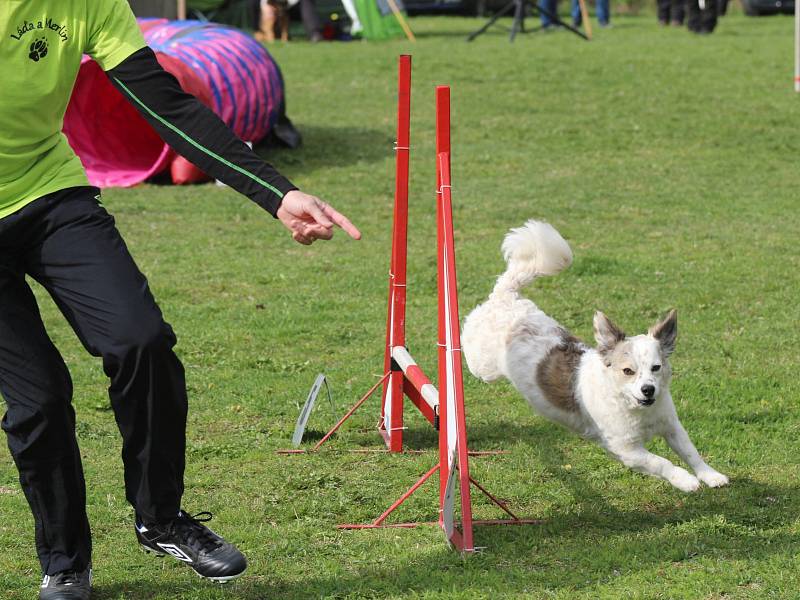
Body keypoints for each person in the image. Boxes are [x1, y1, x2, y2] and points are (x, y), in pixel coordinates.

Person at [0, 1, 360, 599]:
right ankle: (64, 563)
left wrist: (276, 193)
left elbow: (164, 104)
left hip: (50, 193)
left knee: (140, 339)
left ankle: (161, 516)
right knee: (37, 397)